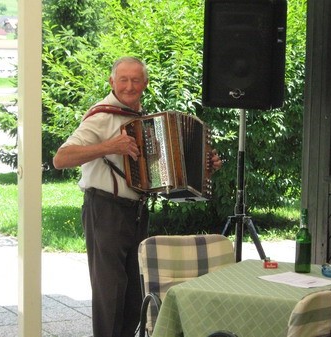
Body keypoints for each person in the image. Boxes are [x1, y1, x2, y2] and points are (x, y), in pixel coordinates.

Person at [53, 56, 222, 337]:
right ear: (112, 82)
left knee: (134, 293)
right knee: (110, 293)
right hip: (105, 209)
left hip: (136, 212)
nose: (129, 86)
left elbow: (160, 176)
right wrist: (109, 146)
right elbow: (61, 158)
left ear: (145, 83)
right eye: (123, 79)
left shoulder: (145, 120)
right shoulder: (101, 116)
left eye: (135, 80)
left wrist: (205, 168)